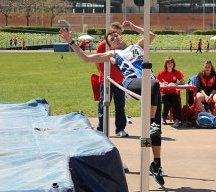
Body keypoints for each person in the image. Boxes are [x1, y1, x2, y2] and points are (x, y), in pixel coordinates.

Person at [60, 20, 165, 186]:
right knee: (153, 88)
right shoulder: (113, 55)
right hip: (132, 83)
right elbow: (85, 58)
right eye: (112, 38)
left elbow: (151, 35)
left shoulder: (137, 46)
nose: (116, 37)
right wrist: (71, 41)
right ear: (110, 45)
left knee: (156, 129)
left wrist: (133, 26)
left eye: (116, 35)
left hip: (152, 87)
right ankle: (152, 122)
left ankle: (156, 164)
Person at [95, 22, 128, 137]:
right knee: (103, 105)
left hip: (120, 81)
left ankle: (120, 129)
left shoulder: (123, 46)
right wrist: (103, 74)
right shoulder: (102, 45)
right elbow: (97, 62)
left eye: (119, 34)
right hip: (106, 80)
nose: (117, 37)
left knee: (120, 106)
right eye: (114, 34)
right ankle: (101, 129)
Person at [156, 56, 185, 128]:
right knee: (167, 102)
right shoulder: (162, 72)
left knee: (175, 101)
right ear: (165, 64)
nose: (169, 64)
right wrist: (162, 84)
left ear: (173, 64)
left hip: (173, 92)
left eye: (171, 62)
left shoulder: (176, 72)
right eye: (168, 63)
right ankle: (163, 118)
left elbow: (183, 82)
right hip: (163, 92)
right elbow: (156, 82)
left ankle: (176, 119)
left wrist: (176, 84)